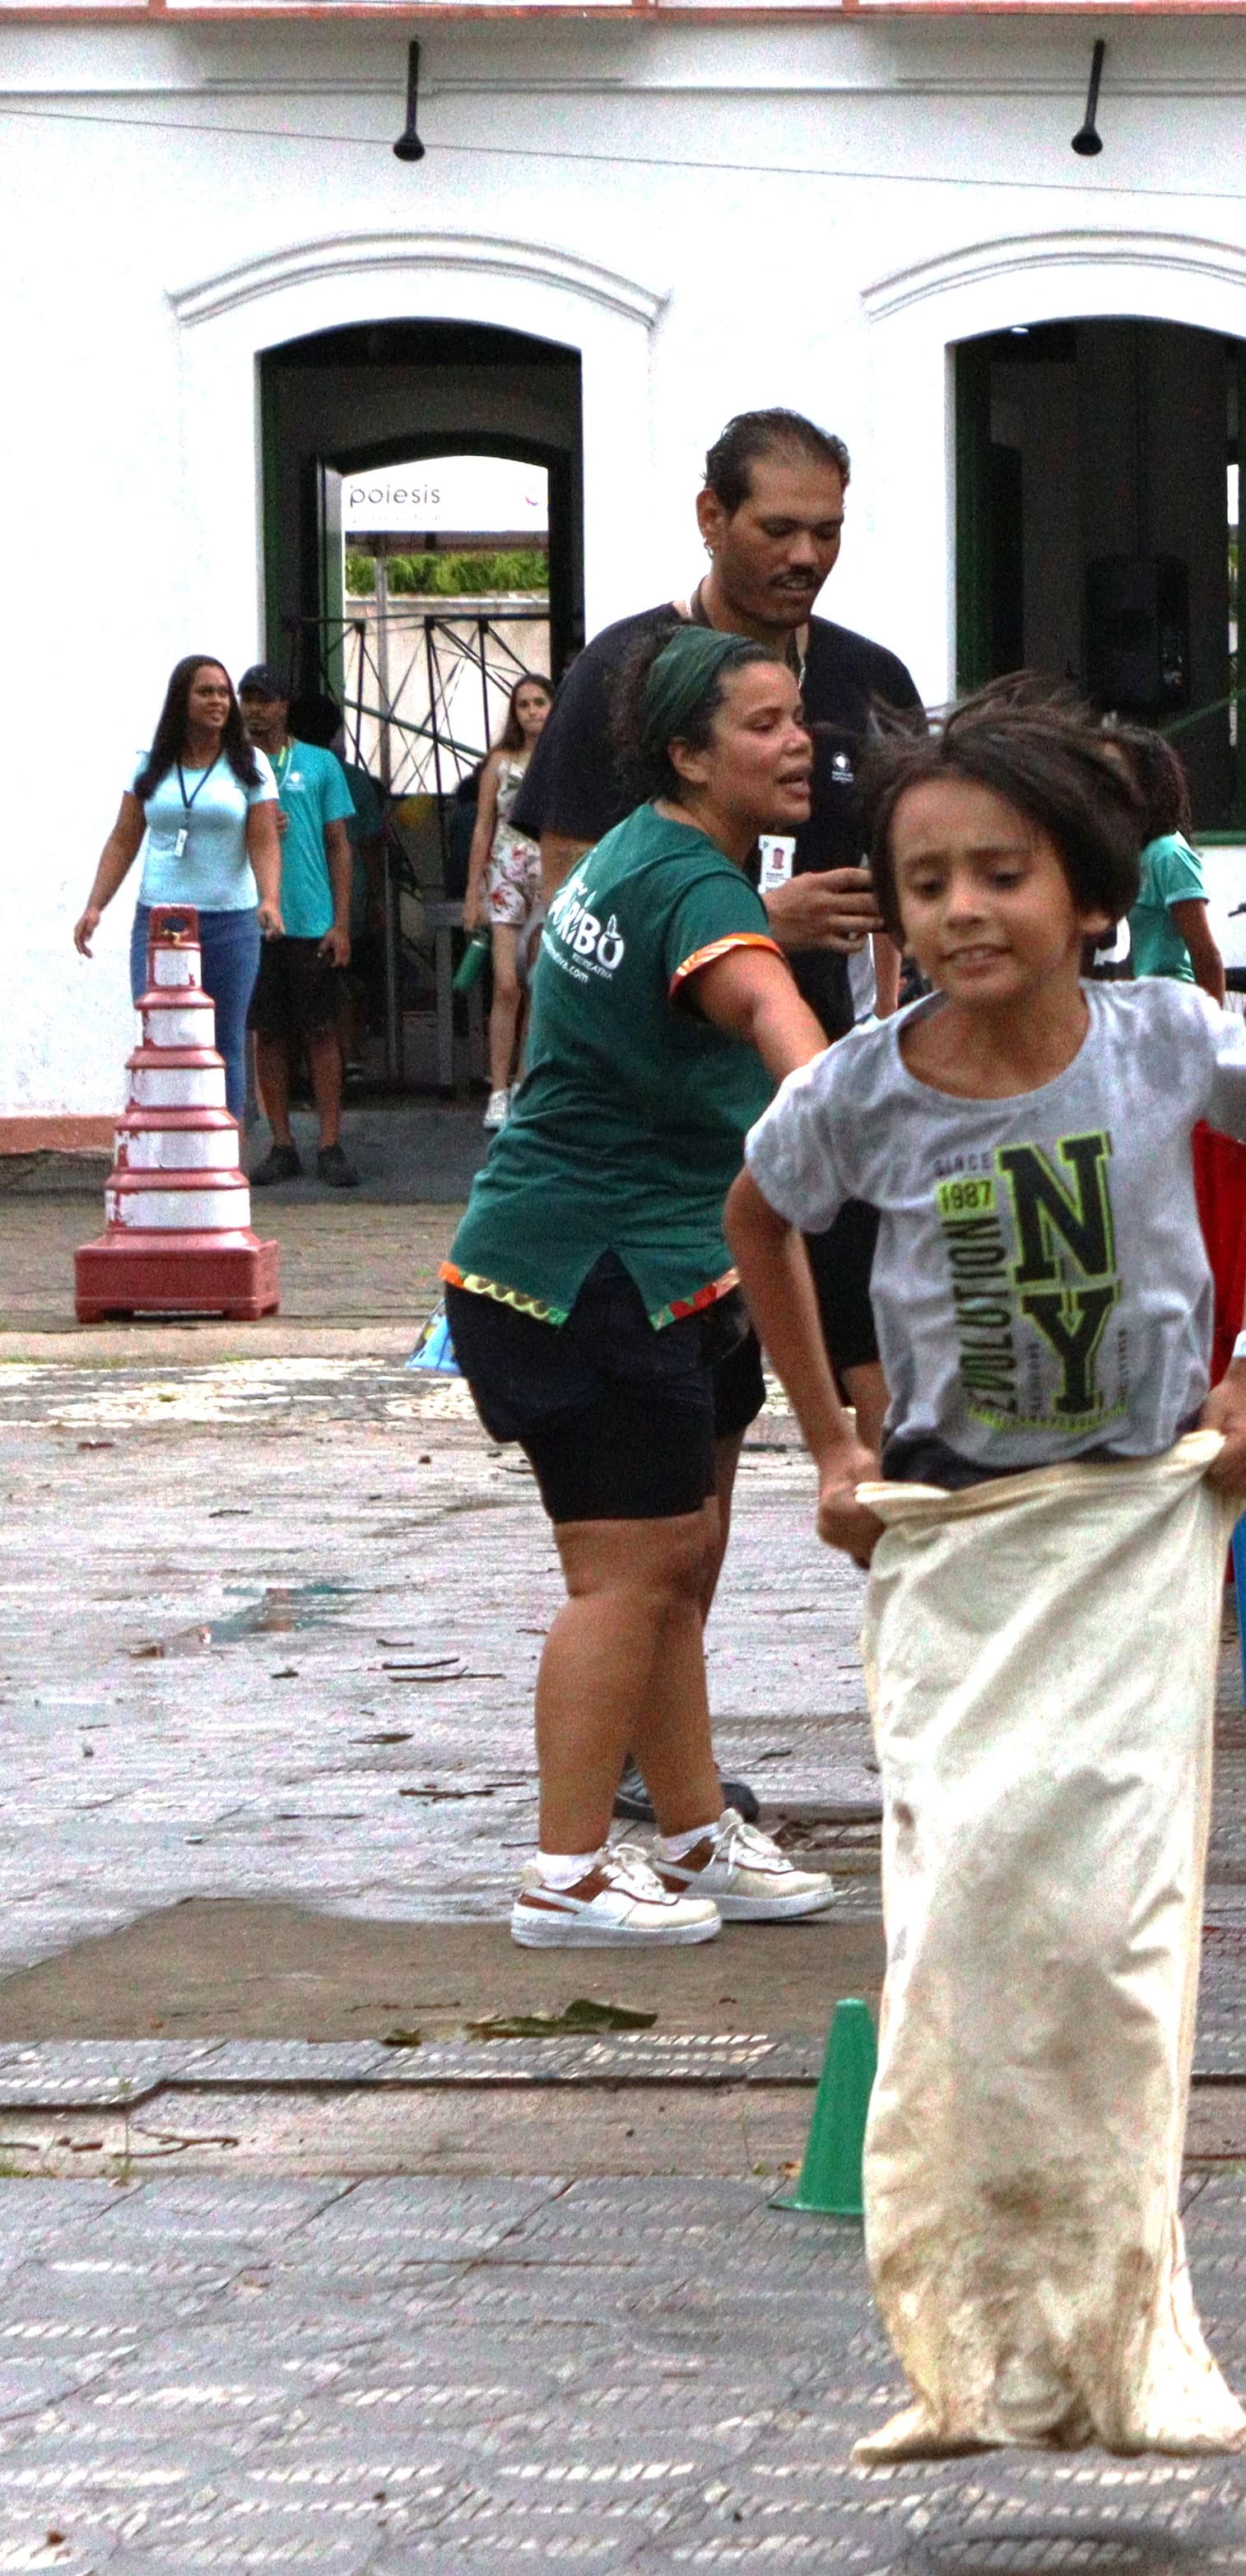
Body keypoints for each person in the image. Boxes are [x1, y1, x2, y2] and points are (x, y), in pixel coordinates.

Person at [727, 679, 1246, 2468]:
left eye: (1003, 872)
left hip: (1136, 1526)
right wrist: (828, 1438)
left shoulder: (1161, 1039)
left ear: (1085, 893)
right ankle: (965, 2348)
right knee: (964, 1930)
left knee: (1114, 1941)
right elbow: (761, 1218)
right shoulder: (863, 1094)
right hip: (960, 1544)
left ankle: (1123, 2341)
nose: (965, 910)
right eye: (925, 882)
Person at [444, 627, 839, 1950]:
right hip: (583, 1272)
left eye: (799, 718)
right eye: (766, 725)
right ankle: (565, 1871)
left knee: (679, 1559)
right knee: (627, 1577)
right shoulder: (703, 898)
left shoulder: (639, 853)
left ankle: (689, 1826)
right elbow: (796, 1053)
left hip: (655, 1264)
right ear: (688, 753)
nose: (800, 745)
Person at [511, 407, 918, 1547]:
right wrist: (755, 920)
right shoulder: (621, 677)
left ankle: (934, 1706)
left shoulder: (867, 680)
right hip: (676, 1139)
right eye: (778, 528)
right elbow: (571, 907)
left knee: (900, 1446)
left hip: (826, 1100)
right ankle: (667, 1711)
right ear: (710, 518)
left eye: (827, 532)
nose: (805, 557)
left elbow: (927, 868)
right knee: (690, 1496)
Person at [72, 656, 283, 1124]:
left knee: (224, 1040)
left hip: (230, 921)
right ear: (181, 702)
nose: (218, 702)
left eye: (223, 693)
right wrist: (95, 905)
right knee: (163, 1035)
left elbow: (264, 839)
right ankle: (166, 1145)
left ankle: (224, 1158)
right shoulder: (149, 767)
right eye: (205, 692)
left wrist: (269, 899)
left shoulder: (252, 765)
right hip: (162, 921)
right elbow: (124, 838)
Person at [235, 669, 360, 1190]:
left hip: (310, 918)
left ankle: (330, 1142)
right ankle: (282, 1143)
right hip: (256, 920)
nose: (255, 709)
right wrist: (254, 825)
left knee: (322, 1030)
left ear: (285, 706)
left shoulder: (320, 763)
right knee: (268, 1035)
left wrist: (342, 922)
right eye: (249, 700)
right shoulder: (231, 767)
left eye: (265, 700)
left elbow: (339, 844)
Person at [463, 672, 555, 1129]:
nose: (533, 711)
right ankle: (497, 1089)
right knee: (506, 985)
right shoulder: (499, 761)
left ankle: (523, 1083)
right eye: (524, 704)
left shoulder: (562, 761)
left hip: (548, 876)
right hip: (505, 872)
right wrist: (472, 891)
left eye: (540, 702)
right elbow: (483, 825)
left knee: (541, 982)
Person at [1107, 721, 1225, 1002]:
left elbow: (1205, 955)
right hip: (1140, 1004)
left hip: (1173, 1006)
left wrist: (1210, 1031)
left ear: (1148, 784)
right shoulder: (1132, 852)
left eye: (1117, 772)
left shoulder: (1168, 855)